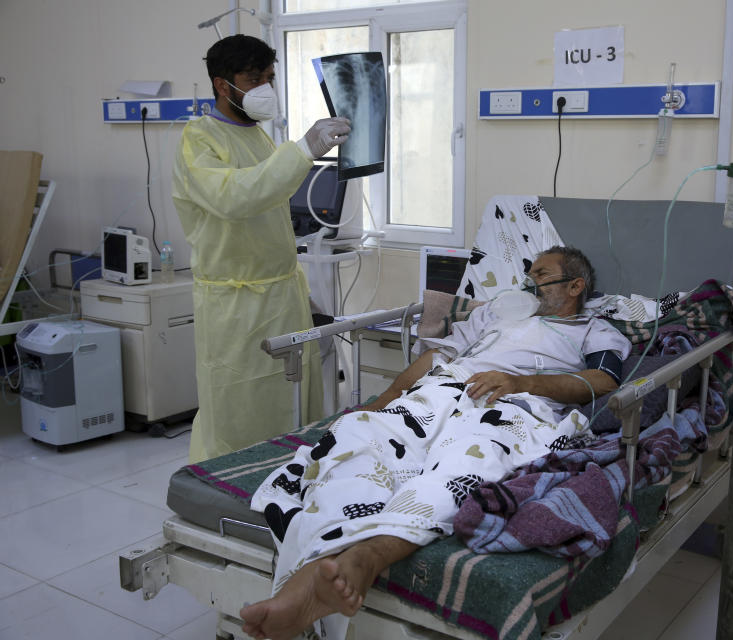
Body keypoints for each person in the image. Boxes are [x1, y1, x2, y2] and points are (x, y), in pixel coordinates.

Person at [239, 246, 632, 640]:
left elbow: (603, 381)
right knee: (358, 439)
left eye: (541, 277)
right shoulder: (494, 315)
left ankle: (366, 557)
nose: (529, 285)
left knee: (461, 469)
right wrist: (379, 405)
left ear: (575, 286)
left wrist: (520, 382)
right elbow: (439, 356)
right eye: (526, 277)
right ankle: (308, 579)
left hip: (510, 407)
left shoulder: (593, 330)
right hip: (442, 391)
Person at [172, 35, 351, 463]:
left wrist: (295, 286)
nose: (265, 88)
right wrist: (305, 149)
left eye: (269, 78)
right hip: (235, 305)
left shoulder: (261, 138)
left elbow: (269, 217)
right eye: (253, 79)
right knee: (241, 410)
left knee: (291, 404)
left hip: (280, 293)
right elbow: (235, 197)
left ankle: (287, 482)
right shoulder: (199, 139)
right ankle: (228, 485)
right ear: (222, 85)